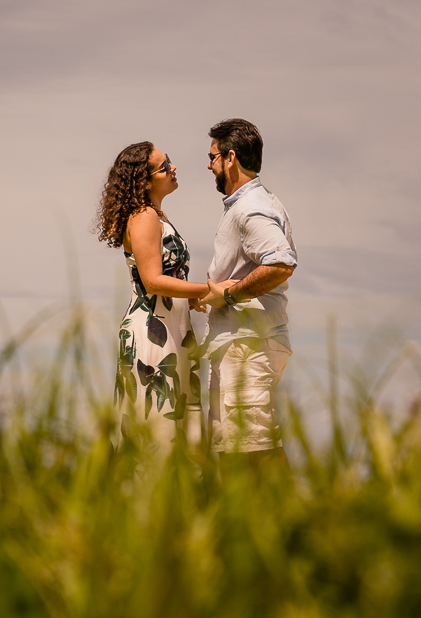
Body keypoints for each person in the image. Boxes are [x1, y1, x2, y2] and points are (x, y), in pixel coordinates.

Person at [94, 141, 236, 446]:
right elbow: (154, 281)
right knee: (158, 425)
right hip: (152, 331)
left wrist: (192, 297)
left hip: (172, 327)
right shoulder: (144, 217)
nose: (173, 167)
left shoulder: (156, 215)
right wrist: (211, 291)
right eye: (163, 166)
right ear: (145, 182)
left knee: (175, 420)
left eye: (168, 161)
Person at [199, 119, 297, 473]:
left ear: (230, 158)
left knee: (253, 453)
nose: (208, 165)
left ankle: (304, 527)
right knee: (239, 451)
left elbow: (281, 263)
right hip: (244, 342)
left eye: (212, 157)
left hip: (248, 344)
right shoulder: (248, 204)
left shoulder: (250, 207)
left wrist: (230, 295)